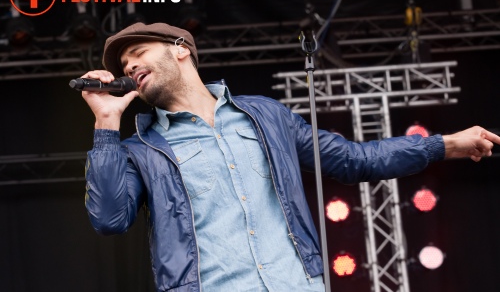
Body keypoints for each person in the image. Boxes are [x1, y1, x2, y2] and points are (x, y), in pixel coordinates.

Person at [82, 22, 500, 292]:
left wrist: (442, 144)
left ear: (180, 50)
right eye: (123, 63)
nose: (129, 64)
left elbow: (353, 159)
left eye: (138, 52)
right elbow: (109, 219)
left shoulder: (265, 115)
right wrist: (106, 122)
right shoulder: (140, 149)